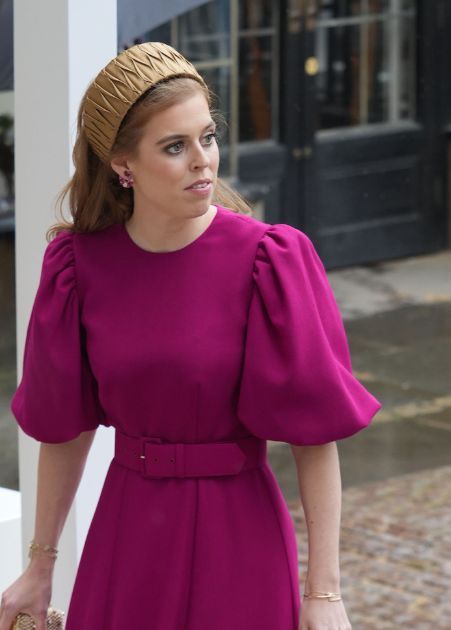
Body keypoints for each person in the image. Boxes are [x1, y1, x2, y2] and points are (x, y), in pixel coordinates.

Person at [0, 43, 378, 629]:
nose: (203, 160)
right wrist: (40, 563)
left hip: (241, 536)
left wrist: (324, 593)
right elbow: (63, 427)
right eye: (175, 147)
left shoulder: (269, 260)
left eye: (207, 137)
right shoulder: (77, 268)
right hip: (127, 536)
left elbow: (314, 436)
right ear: (122, 164)